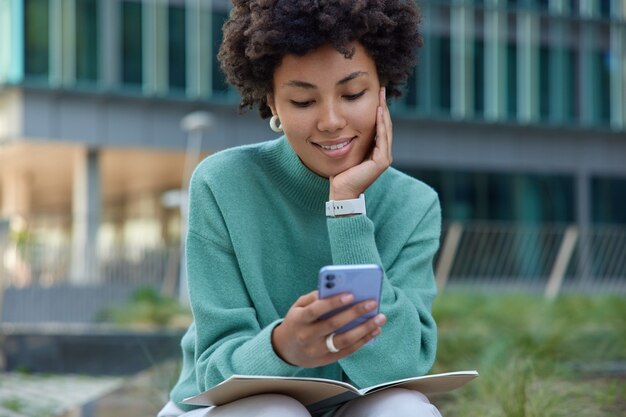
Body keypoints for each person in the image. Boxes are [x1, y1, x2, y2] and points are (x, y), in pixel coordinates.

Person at [158, 0, 442, 416]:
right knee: (274, 411)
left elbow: (399, 366)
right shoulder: (222, 183)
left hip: (348, 406)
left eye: (352, 93)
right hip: (228, 408)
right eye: (304, 102)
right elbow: (213, 374)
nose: (330, 120)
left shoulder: (414, 204)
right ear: (273, 103)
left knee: (404, 410)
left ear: (383, 89)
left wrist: (347, 209)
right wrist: (283, 347)